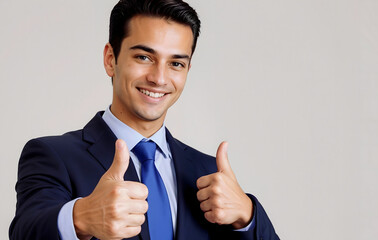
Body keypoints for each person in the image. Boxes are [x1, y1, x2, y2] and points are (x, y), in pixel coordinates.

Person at [9, 0, 279, 239]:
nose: (159, 78)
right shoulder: (52, 155)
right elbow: (25, 230)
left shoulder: (208, 173)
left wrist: (248, 214)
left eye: (176, 63)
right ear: (110, 59)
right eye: (144, 57)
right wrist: (80, 217)